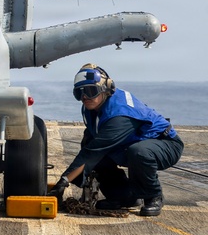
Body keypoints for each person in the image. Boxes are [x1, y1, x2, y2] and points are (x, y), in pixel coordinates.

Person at [48, 63, 183, 216]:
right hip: (130, 144)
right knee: (90, 143)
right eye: (79, 93)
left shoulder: (119, 115)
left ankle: (153, 196)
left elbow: (94, 151)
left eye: (91, 91)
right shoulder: (93, 106)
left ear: (106, 88)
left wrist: (63, 182)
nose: (85, 97)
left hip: (165, 144)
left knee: (138, 152)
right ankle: (125, 197)